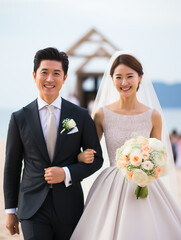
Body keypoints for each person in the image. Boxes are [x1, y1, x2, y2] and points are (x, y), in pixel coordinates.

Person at [70, 51, 181, 240]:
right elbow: (92, 152)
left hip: (146, 183)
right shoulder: (101, 114)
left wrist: (148, 166)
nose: (124, 83)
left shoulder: (153, 115)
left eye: (130, 76)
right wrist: (80, 156)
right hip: (111, 184)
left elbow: (160, 156)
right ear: (111, 80)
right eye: (118, 77)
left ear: (140, 78)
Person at [3, 47, 103, 240]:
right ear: (34, 76)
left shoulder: (80, 116)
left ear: (64, 78)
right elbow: (12, 167)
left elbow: (97, 159)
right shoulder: (19, 118)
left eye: (56, 73)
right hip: (32, 208)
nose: (50, 79)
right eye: (44, 73)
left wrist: (66, 173)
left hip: (69, 206)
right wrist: (10, 210)